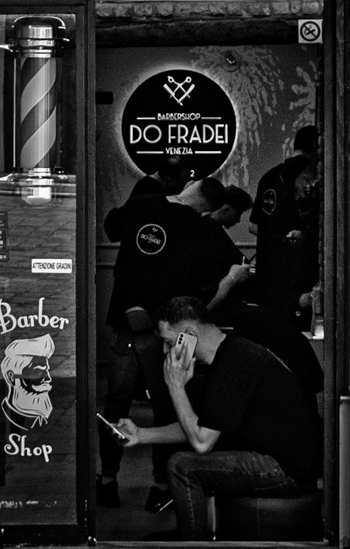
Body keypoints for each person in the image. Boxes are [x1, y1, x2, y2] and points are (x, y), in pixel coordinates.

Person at [98, 161, 246, 505]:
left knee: (117, 401)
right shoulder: (200, 229)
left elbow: (111, 227)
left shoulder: (143, 204)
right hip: (166, 329)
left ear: (190, 187)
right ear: (210, 207)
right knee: (166, 405)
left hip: (125, 320)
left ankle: (107, 480)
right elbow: (206, 289)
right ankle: (162, 487)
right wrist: (229, 282)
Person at [114, 298, 322, 539]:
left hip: (285, 469)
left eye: (169, 342)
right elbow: (200, 426)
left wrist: (175, 386)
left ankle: (193, 544)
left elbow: (201, 442)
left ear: (188, 336)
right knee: (187, 460)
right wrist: (141, 435)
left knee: (183, 465)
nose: (164, 351)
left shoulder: (234, 363)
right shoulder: (228, 355)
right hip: (280, 461)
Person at [251, 125, 321, 329]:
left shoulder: (268, 177)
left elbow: (253, 226)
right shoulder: (316, 179)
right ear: (316, 147)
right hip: (298, 278)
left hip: (268, 275)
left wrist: (275, 237)